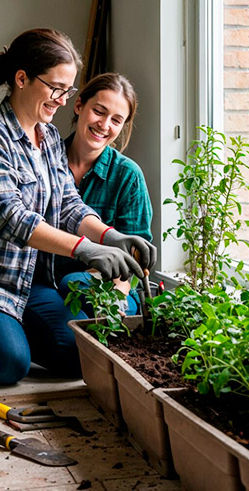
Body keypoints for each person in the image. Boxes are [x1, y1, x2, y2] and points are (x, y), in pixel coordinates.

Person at [0, 29, 158, 386]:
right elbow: (12, 219)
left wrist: (110, 236)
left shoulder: (49, 137)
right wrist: (86, 249)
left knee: (77, 356)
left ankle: (4, 331)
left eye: (68, 90)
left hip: (28, 283)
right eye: (56, 88)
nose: (64, 101)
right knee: (8, 365)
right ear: (22, 79)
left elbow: (68, 203)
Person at [55, 73, 153, 317]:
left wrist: (116, 301)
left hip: (111, 286)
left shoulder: (128, 175)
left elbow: (135, 257)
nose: (104, 125)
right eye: (99, 111)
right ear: (79, 105)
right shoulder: (47, 160)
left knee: (74, 283)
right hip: (46, 284)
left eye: (116, 120)